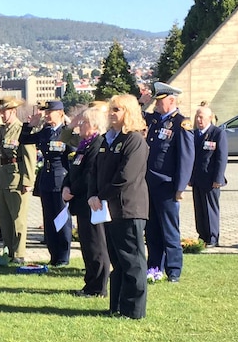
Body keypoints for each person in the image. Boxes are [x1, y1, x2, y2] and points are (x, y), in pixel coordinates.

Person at [89, 94, 149, 319]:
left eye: (117, 109)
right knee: (118, 259)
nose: (112, 113)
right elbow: (95, 171)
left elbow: (126, 176)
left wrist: (100, 195)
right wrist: (92, 195)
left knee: (132, 260)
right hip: (109, 208)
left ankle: (133, 311)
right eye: (111, 109)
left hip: (128, 208)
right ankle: (117, 306)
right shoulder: (107, 139)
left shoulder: (134, 140)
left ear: (128, 112)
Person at [143, 82, 194, 283]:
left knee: (170, 230)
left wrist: (180, 187)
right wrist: (141, 102)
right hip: (150, 183)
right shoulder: (154, 122)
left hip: (167, 185)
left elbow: (186, 158)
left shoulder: (182, 124)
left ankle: (174, 270)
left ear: (171, 100)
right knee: (152, 230)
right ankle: (154, 266)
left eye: (159, 101)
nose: (156, 104)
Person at [0, 96, 36, 263]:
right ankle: (10, 251)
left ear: (13, 111)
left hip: (16, 178)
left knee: (18, 219)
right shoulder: (1, 130)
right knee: (5, 219)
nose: (2, 115)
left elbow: (29, 157)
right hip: (2, 178)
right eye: (1, 112)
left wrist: (27, 181)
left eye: (5, 112)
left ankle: (19, 253)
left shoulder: (21, 130)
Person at [62, 107, 109, 297]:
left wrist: (72, 190)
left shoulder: (97, 144)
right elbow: (73, 168)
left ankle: (98, 287)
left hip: (90, 202)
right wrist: (66, 185)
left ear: (95, 125)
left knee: (96, 244)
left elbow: (89, 174)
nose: (80, 126)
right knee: (87, 245)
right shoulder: (84, 145)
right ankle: (89, 284)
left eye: (84, 123)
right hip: (80, 202)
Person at [21, 99, 74, 266]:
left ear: (60, 113)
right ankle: (53, 255)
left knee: (62, 220)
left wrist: (70, 183)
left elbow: (71, 159)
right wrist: (30, 125)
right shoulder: (45, 132)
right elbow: (24, 140)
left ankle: (63, 256)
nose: (46, 115)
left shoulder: (67, 132)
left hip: (61, 179)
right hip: (46, 180)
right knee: (49, 219)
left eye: (49, 112)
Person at [188, 105, 228, 248]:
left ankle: (212, 237)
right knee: (199, 209)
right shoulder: (194, 134)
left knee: (210, 208)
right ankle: (202, 235)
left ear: (210, 118)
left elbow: (221, 158)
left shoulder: (217, 133)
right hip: (197, 178)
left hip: (211, 180)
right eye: (197, 117)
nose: (198, 120)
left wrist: (218, 178)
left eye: (201, 117)